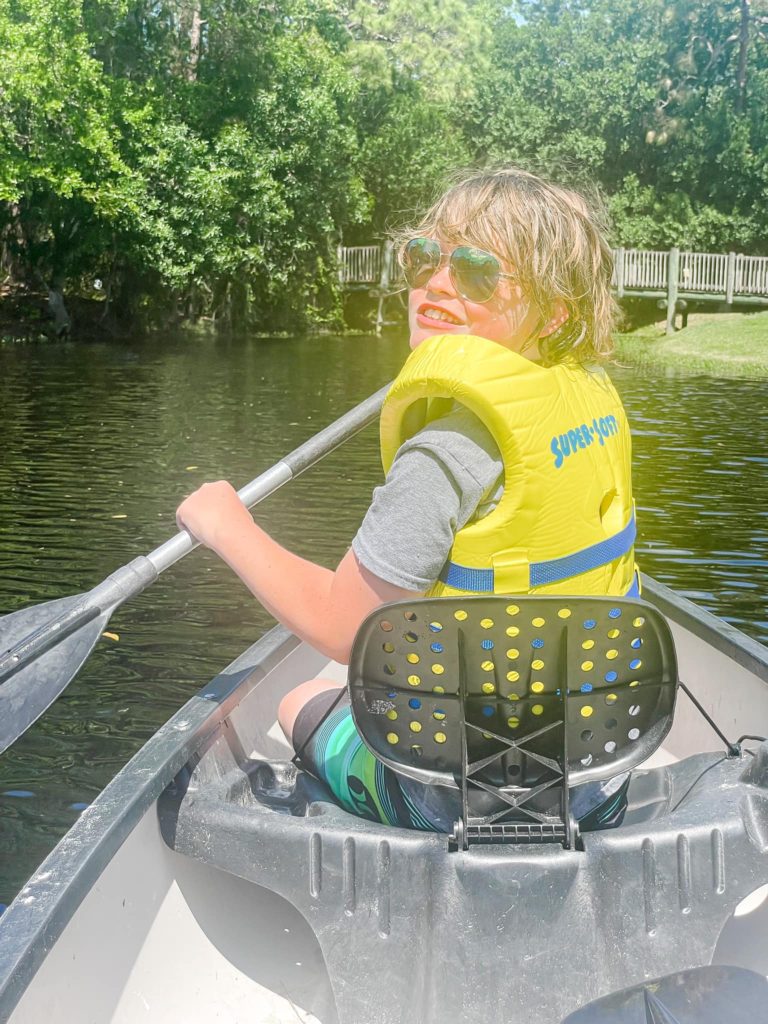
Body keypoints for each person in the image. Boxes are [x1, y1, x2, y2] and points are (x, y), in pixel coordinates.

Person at [176, 167, 637, 833]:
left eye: (478, 271)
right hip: (597, 780)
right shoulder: (589, 405)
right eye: (424, 256)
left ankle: (400, 809)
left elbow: (341, 628)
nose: (438, 283)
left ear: (554, 312)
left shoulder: (446, 454)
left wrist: (228, 526)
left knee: (302, 696)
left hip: (457, 801)